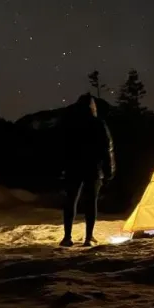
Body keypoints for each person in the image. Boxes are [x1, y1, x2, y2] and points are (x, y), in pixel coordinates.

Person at [60, 93, 115, 247]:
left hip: (73, 167)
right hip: (93, 167)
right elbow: (107, 148)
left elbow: (62, 147)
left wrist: (62, 167)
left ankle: (67, 237)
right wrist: (109, 170)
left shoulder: (70, 124)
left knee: (71, 201)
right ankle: (88, 238)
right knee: (91, 202)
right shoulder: (98, 124)